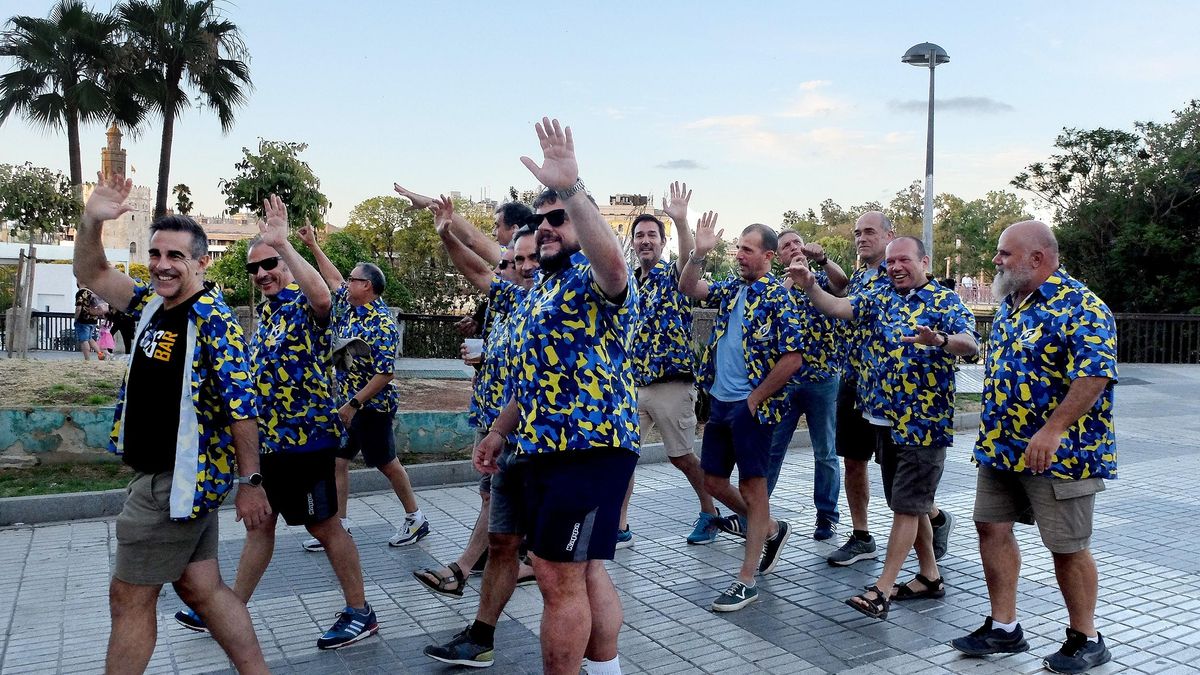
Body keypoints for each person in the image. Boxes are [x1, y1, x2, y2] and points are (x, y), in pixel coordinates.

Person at [72, 171, 270, 675]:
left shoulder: (211, 322)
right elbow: (92, 273)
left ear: (202, 263)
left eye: (175, 256)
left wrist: (251, 483)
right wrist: (92, 221)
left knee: (129, 598)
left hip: (171, 483)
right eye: (156, 254)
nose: (162, 265)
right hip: (175, 479)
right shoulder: (150, 306)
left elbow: (241, 408)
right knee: (201, 588)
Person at [172, 195, 377, 649]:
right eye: (256, 268)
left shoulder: (303, 304)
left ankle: (360, 612)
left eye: (270, 264)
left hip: (308, 442)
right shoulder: (267, 313)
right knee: (260, 525)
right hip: (272, 445)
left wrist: (284, 245)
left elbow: (323, 296)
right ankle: (228, 609)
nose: (263, 273)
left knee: (325, 527)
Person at [473, 118, 639, 675]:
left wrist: (572, 188)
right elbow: (531, 380)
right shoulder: (540, 290)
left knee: (555, 574)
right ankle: (606, 671)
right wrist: (499, 430)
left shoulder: (598, 278)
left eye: (558, 220)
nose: (545, 229)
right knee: (584, 569)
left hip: (588, 449)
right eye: (540, 220)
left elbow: (613, 262)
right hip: (540, 449)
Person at [951, 221, 1117, 674]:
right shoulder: (1010, 303)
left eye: (1005, 253)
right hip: (1001, 447)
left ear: (1037, 258)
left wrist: (1053, 428)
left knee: (1067, 546)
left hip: (1063, 453)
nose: (997, 261)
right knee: (991, 528)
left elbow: (1095, 374)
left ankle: (1087, 637)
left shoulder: (1082, 305)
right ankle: (1004, 628)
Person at [791, 236, 977, 620]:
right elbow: (839, 306)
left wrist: (939, 340)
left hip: (922, 424)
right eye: (890, 262)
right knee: (910, 505)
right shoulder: (879, 297)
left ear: (924, 261)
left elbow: (970, 344)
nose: (894, 267)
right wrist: (810, 285)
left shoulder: (945, 302)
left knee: (906, 508)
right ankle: (929, 575)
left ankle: (882, 589)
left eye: (903, 260)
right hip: (882, 419)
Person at [423, 217, 544, 668]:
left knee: (567, 572)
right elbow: (476, 270)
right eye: (518, 260)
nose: (524, 266)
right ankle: (480, 635)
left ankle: (601, 660)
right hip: (513, 439)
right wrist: (443, 232)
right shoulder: (518, 299)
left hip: (562, 452)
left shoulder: (578, 297)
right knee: (502, 542)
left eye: (533, 257)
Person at [678, 216, 802, 612]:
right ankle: (767, 528)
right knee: (713, 480)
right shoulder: (731, 289)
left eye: (747, 249)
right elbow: (687, 287)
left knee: (753, 487)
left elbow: (793, 359)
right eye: (738, 247)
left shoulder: (778, 298)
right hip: (720, 402)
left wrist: (755, 399)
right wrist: (699, 252)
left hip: (753, 407)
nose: (739, 255)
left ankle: (745, 580)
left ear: (768, 256)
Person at [827, 212, 956, 566]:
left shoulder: (901, 280)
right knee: (854, 460)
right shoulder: (860, 278)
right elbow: (839, 296)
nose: (861, 238)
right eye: (857, 233)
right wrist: (815, 275)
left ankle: (933, 521)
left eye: (869, 231)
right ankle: (861, 535)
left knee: (903, 477)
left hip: (899, 397)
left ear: (890, 235)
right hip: (855, 381)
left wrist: (941, 340)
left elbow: (966, 341)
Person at [298, 227, 430, 550]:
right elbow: (332, 281)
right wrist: (314, 245)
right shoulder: (351, 305)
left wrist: (353, 404)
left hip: (371, 409)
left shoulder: (381, 323)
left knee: (387, 463)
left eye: (354, 279)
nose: (348, 282)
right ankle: (338, 526)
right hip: (349, 407)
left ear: (367, 286)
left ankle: (416, 518)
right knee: (338, 461)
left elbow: (385, 374)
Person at [615, 182, 721, 548]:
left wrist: (679, 221)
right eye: (639, 235)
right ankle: (621, 525)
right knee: (623, 454)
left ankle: (710, 512)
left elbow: (690, 261)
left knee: (681, 457)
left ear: (661, 243)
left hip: (672, 383)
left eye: (651, 235)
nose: (645, 241)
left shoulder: (673, 276)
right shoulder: (629, 283)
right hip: (634, 384)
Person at [766, 229, 848, 541]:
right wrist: (791, 278)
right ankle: (757, 512)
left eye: (797, 242)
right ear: (779, 256)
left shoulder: (822, 281)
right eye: (786, 246)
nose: (794, 248)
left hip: (823, 379)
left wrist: (823, 261)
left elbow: (843, 285)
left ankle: (827, 516)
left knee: (825, 451)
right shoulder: (776, 286)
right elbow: (770, 310)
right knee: (773, 449)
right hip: (785, 382)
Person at [74, 282, 105, 360]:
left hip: (83, 320)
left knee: (84, 340)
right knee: (90, 338)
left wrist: (76, 318)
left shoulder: (80, 293)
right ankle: (100, 354)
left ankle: (87, 360)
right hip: (93, 320)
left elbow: (78, 308)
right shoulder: (91, 292)